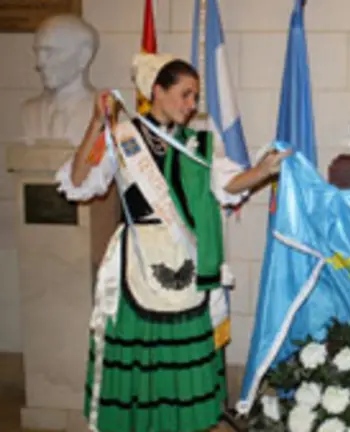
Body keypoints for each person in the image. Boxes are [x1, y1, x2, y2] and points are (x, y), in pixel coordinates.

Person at [55, 53, 288, 432]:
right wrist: (97, 124)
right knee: (141, 353)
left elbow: (228, 184)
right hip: (137, 263)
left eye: (195, 96)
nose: (191, 105)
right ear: (157, 92)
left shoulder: (200, 144)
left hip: (187, 261)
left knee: (185, 354)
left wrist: (263, 170)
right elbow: (80, 182)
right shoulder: (123, 137)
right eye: (184, 94)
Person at [22, 14, 99, 146]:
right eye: (37, 52)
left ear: (83, 56)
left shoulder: (101, 110)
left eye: (50, 52)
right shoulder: (29, 111)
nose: (40, 63)